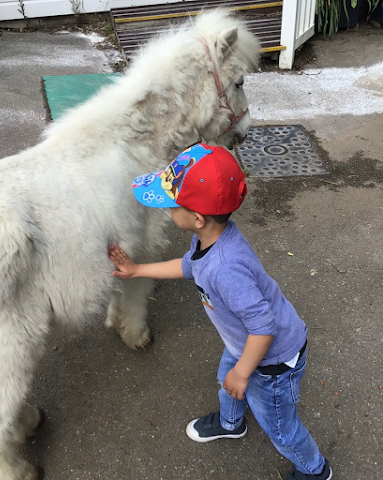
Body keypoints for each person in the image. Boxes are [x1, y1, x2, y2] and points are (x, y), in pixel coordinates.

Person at [108, 143, 332, 480]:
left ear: (196, 218)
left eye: (173, 205)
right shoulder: (210, 239)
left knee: (280, 426)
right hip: (243, 343)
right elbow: (189, 266)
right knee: (225, 377)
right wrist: (137, 270)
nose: (169, 211)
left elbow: (263, 327)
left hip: (271, 360)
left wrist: (244, 372)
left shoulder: (225, 268)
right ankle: (231, 422)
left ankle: (315, 470)